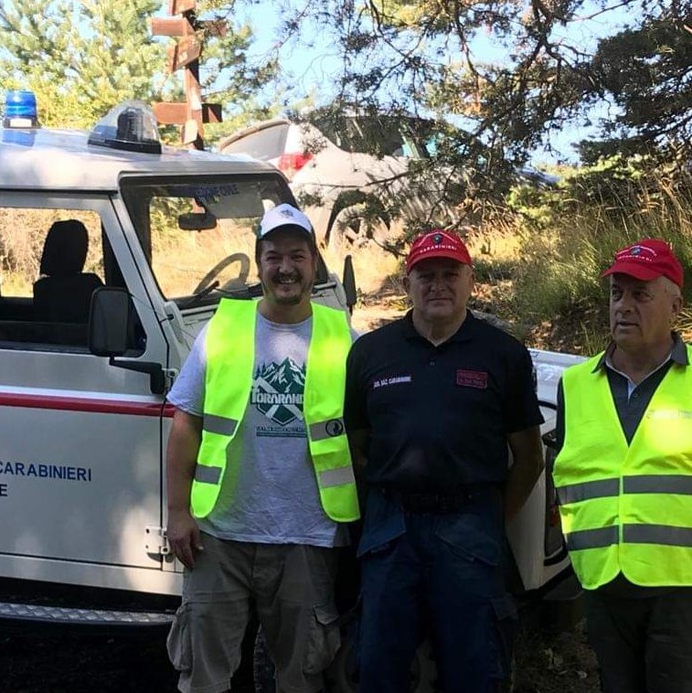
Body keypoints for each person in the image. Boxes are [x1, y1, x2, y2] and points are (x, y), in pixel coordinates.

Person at [165, 203, 359, 693]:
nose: (286, 268)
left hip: (307, 536)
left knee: (301, 677)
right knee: (203, 676)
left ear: (315, 263)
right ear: (260, 262)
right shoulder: (224, 328)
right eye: (274, 256)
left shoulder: (344, 337)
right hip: (219, 535)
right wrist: (179, 512)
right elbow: (186, 421)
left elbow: (367, 434)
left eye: (297, 255)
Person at [344, 229, 545, 693]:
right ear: (406, 284)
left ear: (470, 280)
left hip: (469, 528)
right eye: (426, 275)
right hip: (390, 528)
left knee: (474, 668)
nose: (438, 285)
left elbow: (529, 458)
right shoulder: (371, 353)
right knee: (377, 665)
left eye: (450, 274)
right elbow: (358, 447)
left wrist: (491, 517)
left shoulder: (503, 355)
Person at [553, 238, 692, 693]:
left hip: (681, 590)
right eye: (617, 294)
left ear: (675, 302)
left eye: (640, 294)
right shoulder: (574, 385)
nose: (624, 306)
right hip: (603, 585)